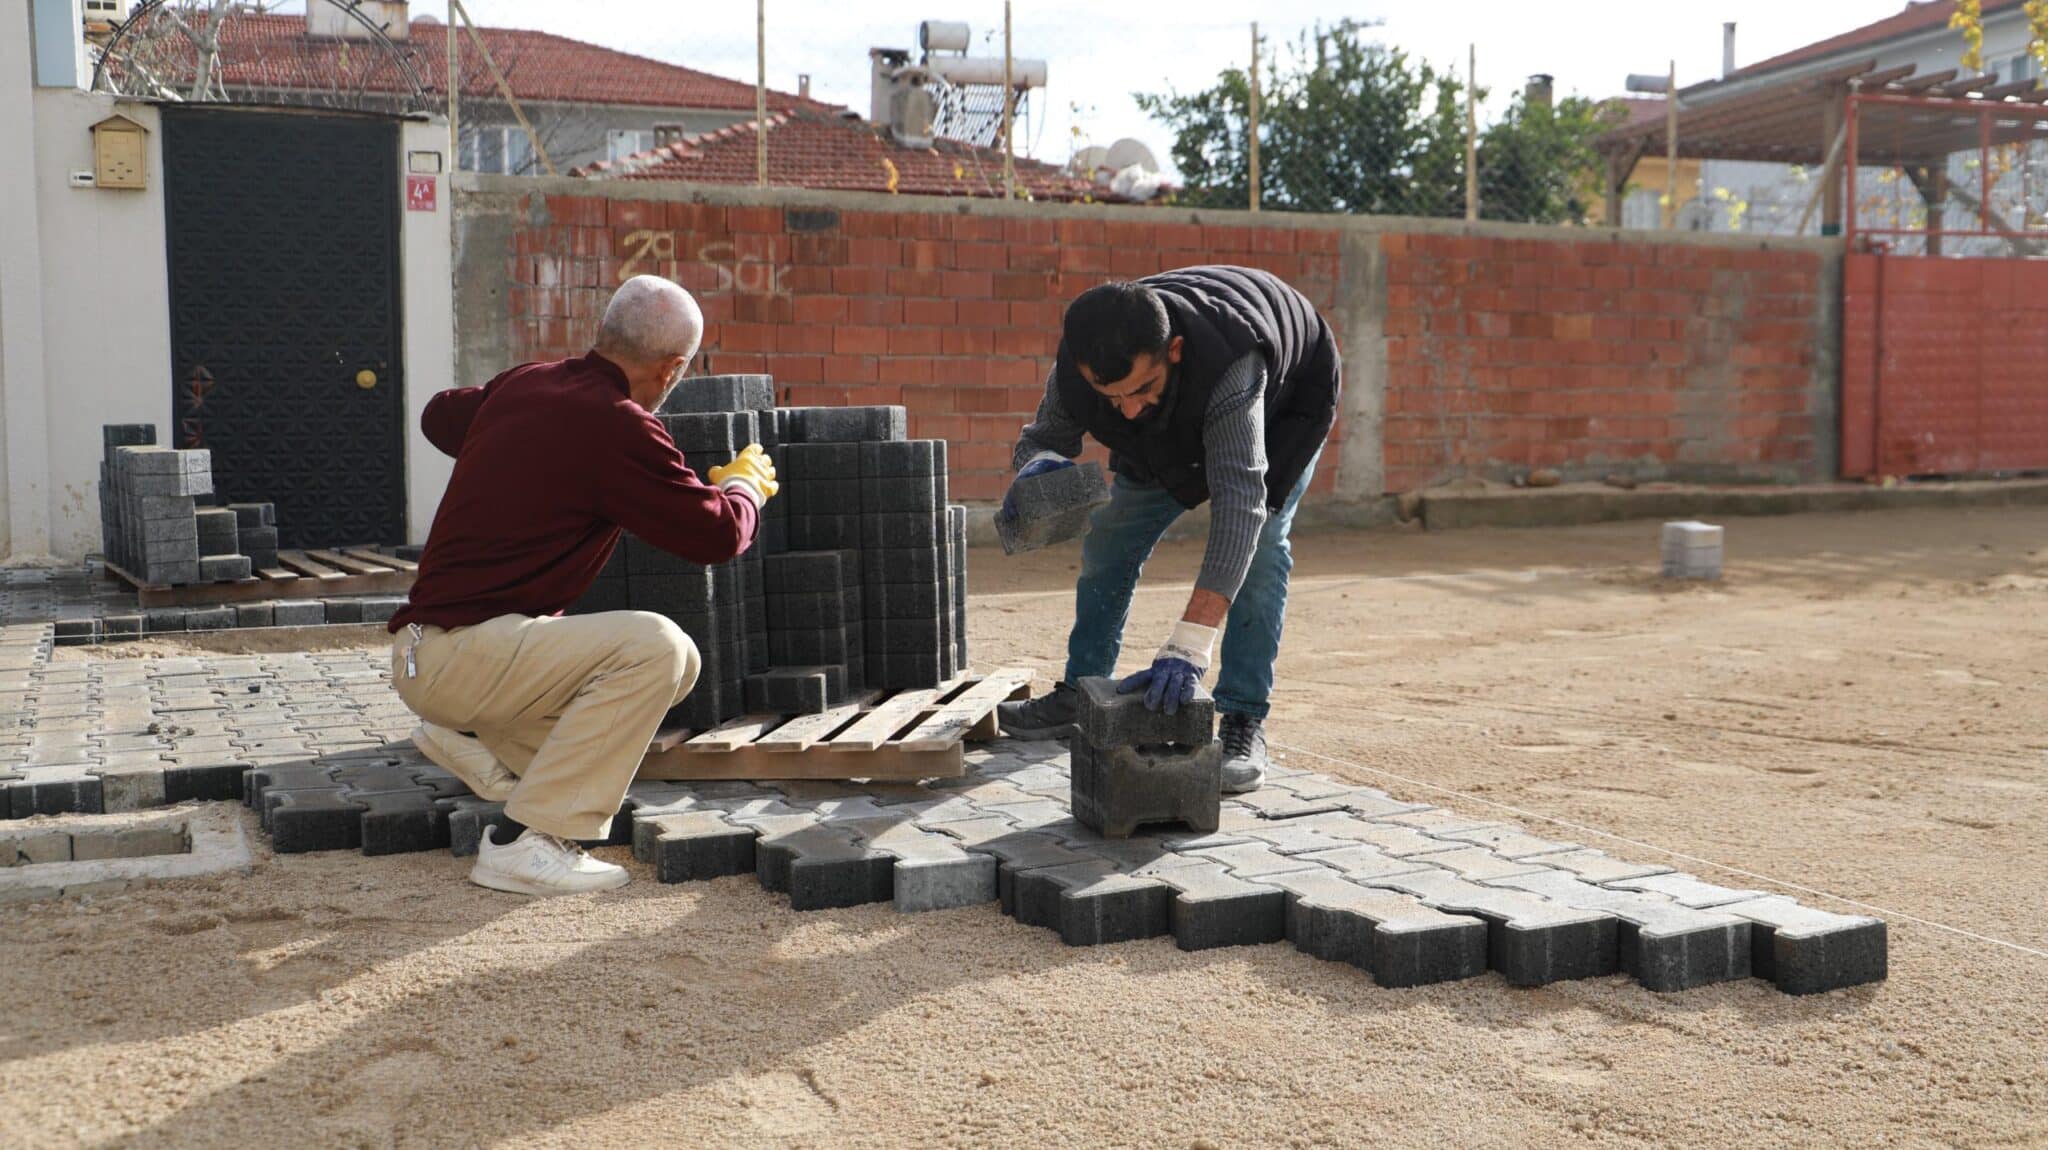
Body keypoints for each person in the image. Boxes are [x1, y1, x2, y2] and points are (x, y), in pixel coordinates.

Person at [389, 275, 779, 896]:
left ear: (604, 334)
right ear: (673, 368)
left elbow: (439, 415)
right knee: (662, 650)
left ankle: (467, 739)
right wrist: (745, 489)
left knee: (590, 752)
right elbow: (718, 537)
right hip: (464, 658)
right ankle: (528, 846)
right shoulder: (617, 425)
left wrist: (508, 433)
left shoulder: (525, 384)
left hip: (426, 653)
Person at [995, 266, 1340, 794]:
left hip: (1282, 404)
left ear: (1173, 350)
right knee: (1112, 535)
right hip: (1171, 425)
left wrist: (1190, 644)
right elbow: (1043, 436)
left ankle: (1243, 717)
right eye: (1112, 398)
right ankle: (1079, 692)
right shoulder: (1083, 363)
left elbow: (1240, 503)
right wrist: (1038, 466)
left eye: (1141, 388)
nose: (1128, 408)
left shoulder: (1230, 361)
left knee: (1263, 545)